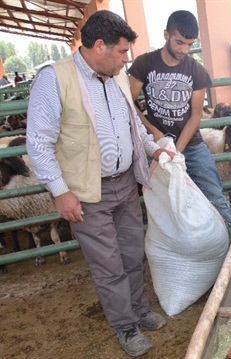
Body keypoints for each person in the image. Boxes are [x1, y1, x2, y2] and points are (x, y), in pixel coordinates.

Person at [26, 10, 174, 357]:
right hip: (86, 192)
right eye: (122, 52)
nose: (126, 59)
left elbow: (133, 126)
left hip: (125, 183)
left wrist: (153, 150)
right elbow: (38, 142)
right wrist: (60, 191)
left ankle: (138, 310)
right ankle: (125, 326)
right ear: (98, 46)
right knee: (108, 265)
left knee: (133, 254)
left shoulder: (116, 76)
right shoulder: (54, 78)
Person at [128, 10, 231, 238]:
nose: (184, 50)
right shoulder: (145, 63)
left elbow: (196, 115)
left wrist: (175, 152)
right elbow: (129, 102)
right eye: (179, 42)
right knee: (162, 201)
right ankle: (179, 248)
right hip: (156, 145)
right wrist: (154, 132)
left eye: (190, 44)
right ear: (166, 34)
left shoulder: (196, 70)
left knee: (214, 194)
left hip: (191, 144)